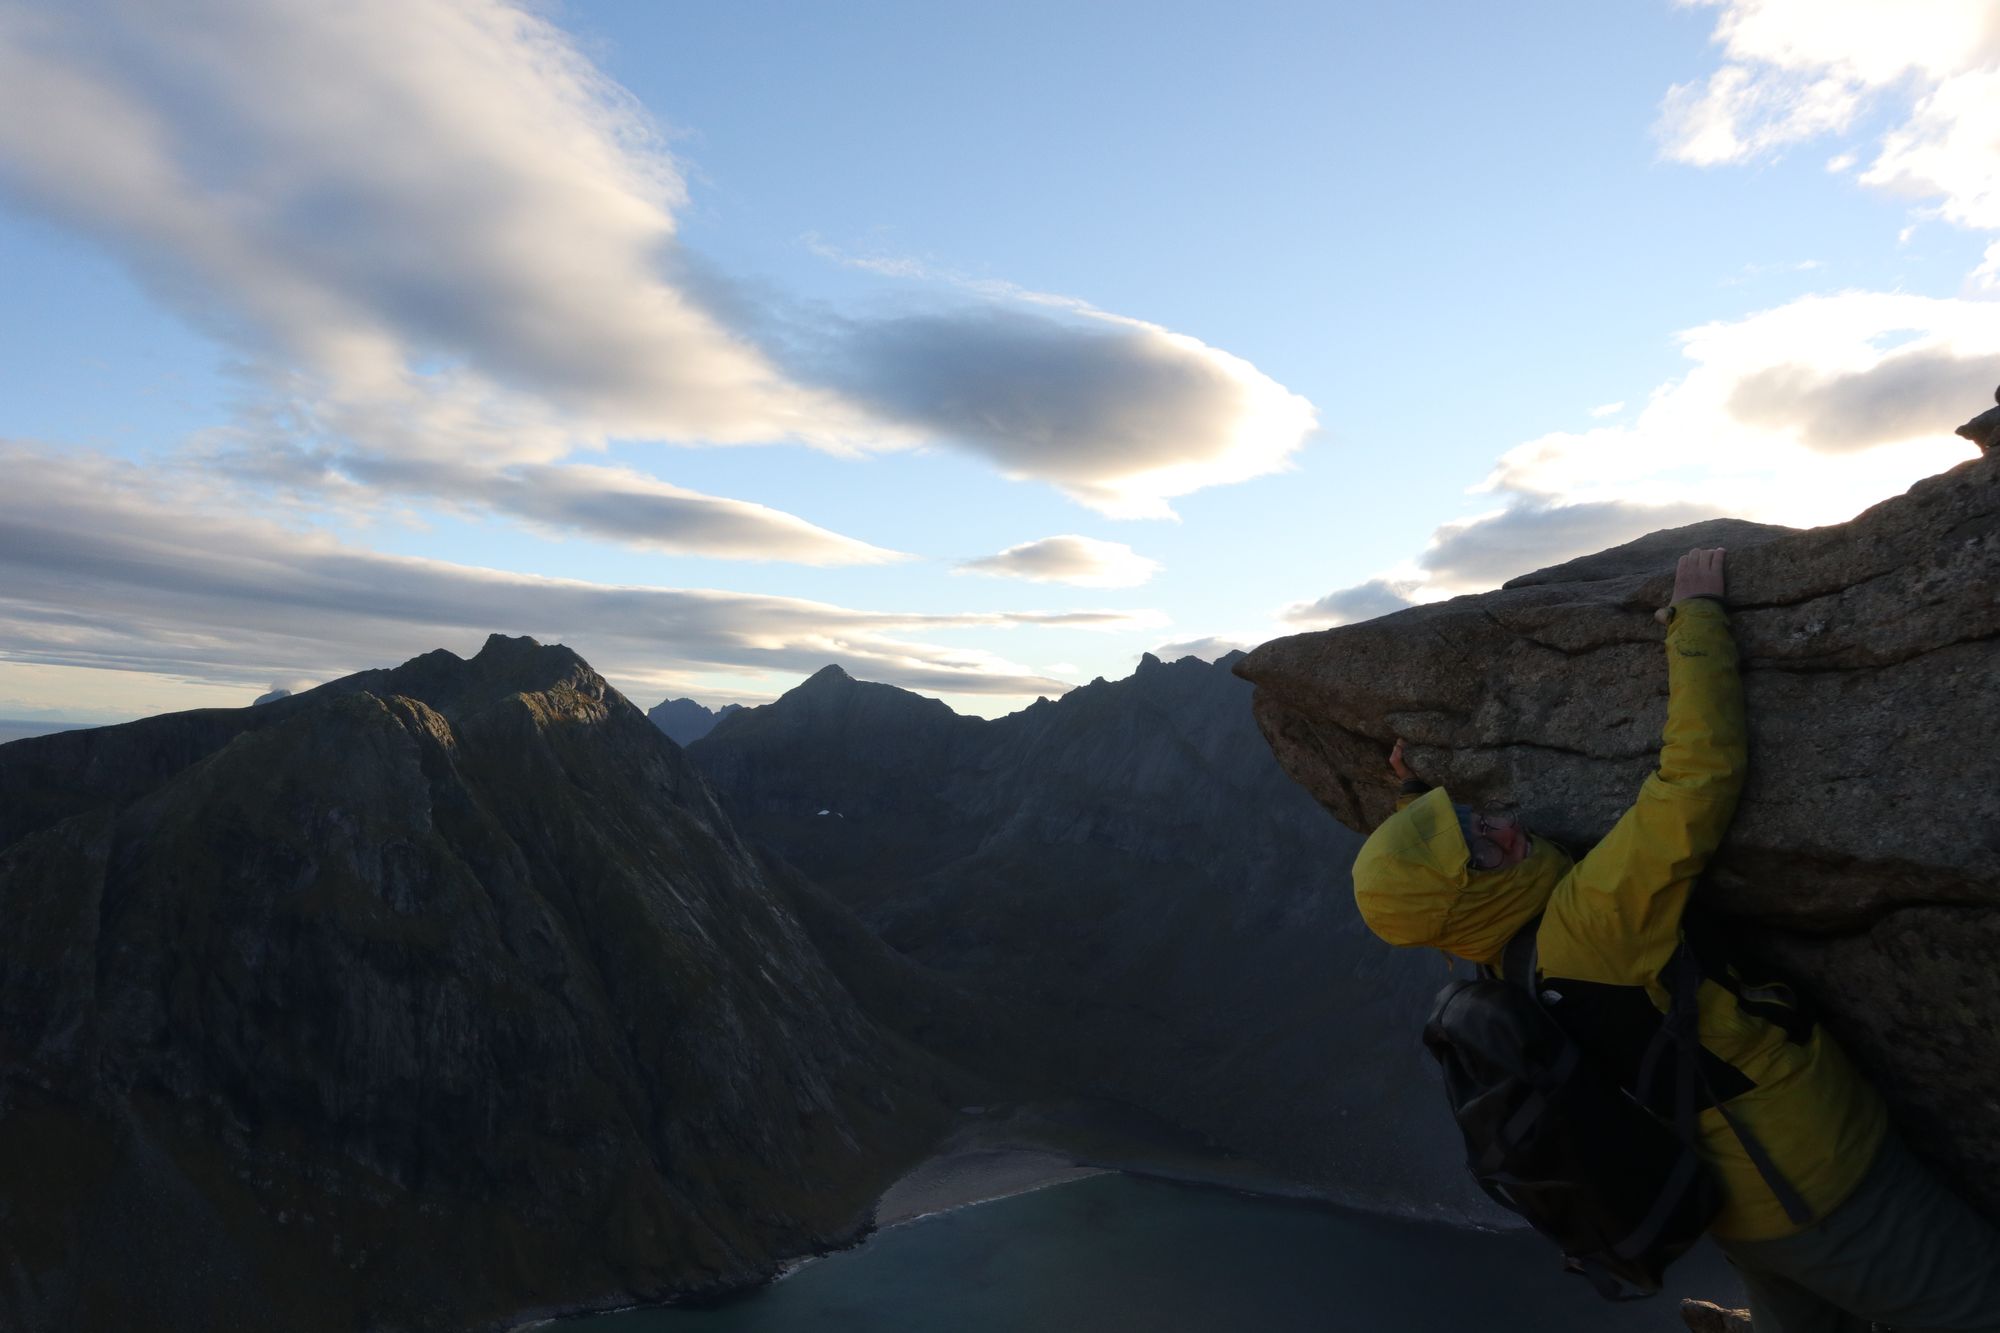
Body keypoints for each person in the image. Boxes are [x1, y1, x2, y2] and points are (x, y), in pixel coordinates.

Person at [1352, 547, 2000, 1332]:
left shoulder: (1493, 960)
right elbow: (1698, 777)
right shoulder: (1595, 919)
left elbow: (1436, 887)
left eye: (1471, 820)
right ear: (1467, 894)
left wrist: (1411, 793)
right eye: (1478, 845)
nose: (1501, 825)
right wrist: (1695, 619)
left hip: (1733, 1201)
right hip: (1823, 1183)